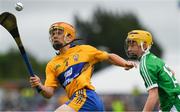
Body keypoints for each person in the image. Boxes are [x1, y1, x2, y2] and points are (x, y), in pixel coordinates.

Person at [29, 22, 135, 112]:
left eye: (59, 33)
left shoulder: (84, 50)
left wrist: (125, 63)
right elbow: (49, 94)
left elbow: (109, 57)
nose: (55, 36)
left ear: (69, 36)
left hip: (85, 96)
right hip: (79, 103)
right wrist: (39, 86)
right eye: (52, 34)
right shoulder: (51, 65)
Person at [125, 30, 180, 111]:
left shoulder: (145, 63)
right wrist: (163, 100)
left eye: (133, 45)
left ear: (144, 45)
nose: (129, 49)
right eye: (128, 45)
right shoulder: (154, 58)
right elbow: (171, 73)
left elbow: (153, 94)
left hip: (173, 104)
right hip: (173, 101)